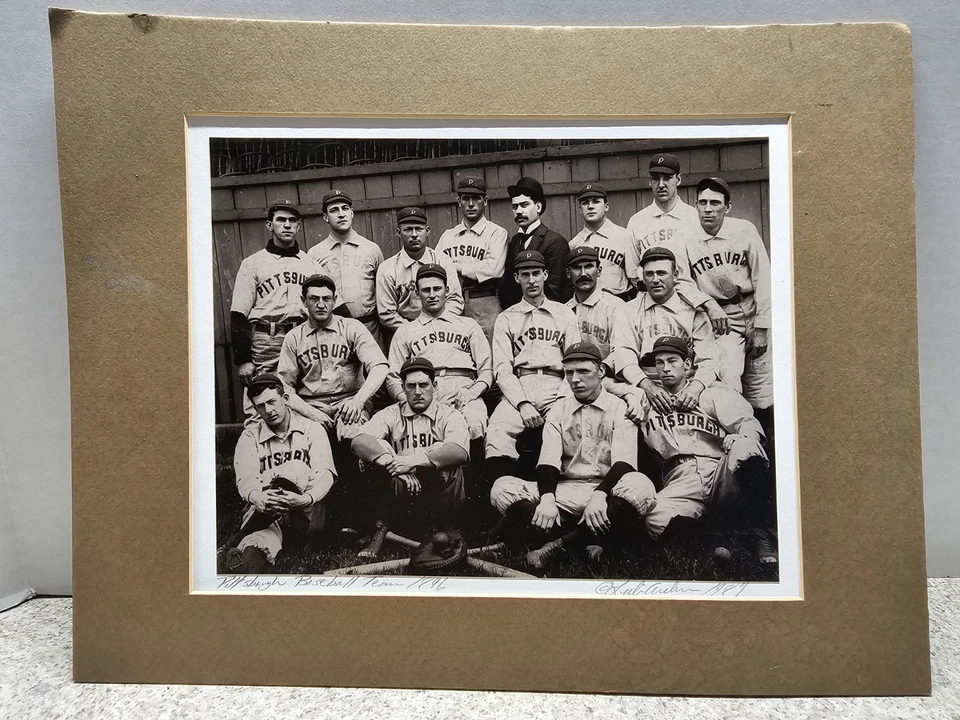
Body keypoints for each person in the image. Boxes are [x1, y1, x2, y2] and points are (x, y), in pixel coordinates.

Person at [489, 342, 657, 570]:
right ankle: (586, 540)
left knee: (641, 486)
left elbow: (625, 463)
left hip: (606, 493)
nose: (575, 379)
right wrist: (547, 498)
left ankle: (557, 543)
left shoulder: (620, 407)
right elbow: (548, 461)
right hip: (565, 491)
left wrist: (600, 495)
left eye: (583, 371)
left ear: (601, 371)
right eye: (569, 373)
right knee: (502, 487)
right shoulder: (558, 409)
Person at [620, 336, 775, 560]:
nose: (665, 368)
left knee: (746, 447)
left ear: (688, 365)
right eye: (659, 363)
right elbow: (604, 383)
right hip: (680, 479)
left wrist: (738, 437)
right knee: (654, 520)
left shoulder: (710, 394)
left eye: (672, 361)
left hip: (721, 473)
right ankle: (715, 531)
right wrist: (631, 393)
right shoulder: (646, 402)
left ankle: (760, 533)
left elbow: (750, 425)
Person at [352, 357, 470, 556]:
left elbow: (459, 452)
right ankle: (383, 526)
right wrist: (395, 464)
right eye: (411, 386)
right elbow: (358, 440)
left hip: (441, 498)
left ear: (435, 385)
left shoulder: (449, 415)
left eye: (423, 385)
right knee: (376, 448)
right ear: (403, 388)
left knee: (443, 451)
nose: (417, 392)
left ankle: (443, 527)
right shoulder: (390, 413)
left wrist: (411, 462)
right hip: (402, 493)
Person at [224, 375, 336, 574]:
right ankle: (248, 564)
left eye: (272, 402)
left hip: (306, 511)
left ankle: (239, 536)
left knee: (295, 468)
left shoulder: (312, 428)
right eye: (260, 406)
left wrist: (304, 499)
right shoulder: (250, 435)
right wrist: (258, 497)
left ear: (285, 398)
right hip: (268, 510)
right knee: (258, 544)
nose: (268, 411)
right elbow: (246, 479)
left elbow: (325, 474)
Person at [486, 250, 581, 483]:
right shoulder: (506, 318)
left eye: (536, 273)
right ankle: (508, 497)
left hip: (557, 385)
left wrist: (561, 398)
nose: (531, 280)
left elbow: (575, 363)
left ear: (545, 275)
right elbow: (502, 369)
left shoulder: (564, 313)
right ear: (517, 278)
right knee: (497, 431)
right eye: (525, 274)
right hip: (521, 385)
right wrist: (522, 403)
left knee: (564, 428)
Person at [686, 176, 773, 422]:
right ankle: (738, 443)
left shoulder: (743, 230)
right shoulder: (687, 236)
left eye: (715, 203)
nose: (708, 209)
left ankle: (766, 447)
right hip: (723, 318)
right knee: (728, 379)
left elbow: (763, 278)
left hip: (753, 308)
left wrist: (762, 327)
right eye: (702, 202)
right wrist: (708, 303)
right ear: (696, 206)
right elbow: (682, 280)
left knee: (762, 391)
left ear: (728, 207)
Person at [230, 199, 319, 420]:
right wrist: (243, 359)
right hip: (267, 340)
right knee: (261, 400)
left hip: (301, 337)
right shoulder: (253, 263)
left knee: (301, 399)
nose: (287, 225)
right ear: (270, 225)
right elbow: (238, 314)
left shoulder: (311, 264)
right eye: (281, 220)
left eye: (292, 221)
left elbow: (334, 305)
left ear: (298, 226)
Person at [386, 263, 492, 444]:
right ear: (417, 294)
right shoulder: (405, 331)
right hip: (425, 392)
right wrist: (408, 400)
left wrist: (472, 393)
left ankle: (475, 472)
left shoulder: (467, 325)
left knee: (475, 422)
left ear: (447, 290)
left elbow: (487, 370)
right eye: (426, 290)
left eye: (437, 288)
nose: (432, 295)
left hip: (463, 389)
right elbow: (393, 377)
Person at [625, 153, 730, 336]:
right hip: (650, 303)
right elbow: (633, 272)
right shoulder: (637, 221)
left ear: (678, 179)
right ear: (649, 181)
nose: (661, 184)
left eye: (667, 178)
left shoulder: (693, 217)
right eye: (655, 179)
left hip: (691, 304)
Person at [623, 246, 722, 412]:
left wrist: (695, 388)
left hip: (688, 383)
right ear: (643, 277)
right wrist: (648, 387)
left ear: (675, 275)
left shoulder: (694, 311)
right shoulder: (628, 311)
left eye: (661, 273)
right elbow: (624, 357)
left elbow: (709, 359)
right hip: (645, 384)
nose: (655, 280)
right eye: (649, 274)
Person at [435, 177, 510, 338]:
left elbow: (494, 269)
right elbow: (436, 269)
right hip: (450, 304)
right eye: (465, 198)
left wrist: (456, 267)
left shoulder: (496, 233)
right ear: (458, 201)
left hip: (484, 301)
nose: (470, 204)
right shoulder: (447, 236)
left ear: (485, 201)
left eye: (476, 198)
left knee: (488, 356)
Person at [307, 190, 384, 346]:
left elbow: (382, 291)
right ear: (325, 217)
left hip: (370, 328)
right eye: (334, 210)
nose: (341, 214)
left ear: (352, 213)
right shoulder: (315, 253)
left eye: (345, 208)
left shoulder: (371, 249)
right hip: (333, 330)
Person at [564, 246, 645, 387]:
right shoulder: (563, 311)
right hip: (573, 382)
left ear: (599, 271)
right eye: (577, 268)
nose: (583, 273)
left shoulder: (615, 306)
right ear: (568, 273)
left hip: (607, 378)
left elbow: (621, 351)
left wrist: (600, 372)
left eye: (589, 266)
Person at [376, 206, 463, 333]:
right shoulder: (388, 268)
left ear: (427, 231)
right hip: (404, 330)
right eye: (408, 230)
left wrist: (436, 325)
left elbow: (455, 300)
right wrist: (415, 330)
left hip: (442, 327)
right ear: (398, 232)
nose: (414, 235)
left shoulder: (443, 261)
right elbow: (386, 313)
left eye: (419, 229)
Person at [498, 177, 572, 308]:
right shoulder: (514, 241)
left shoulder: (555, 242)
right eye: (515, 207)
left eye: (524, 205)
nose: (518, 211)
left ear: (538, 206)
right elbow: (507, 285)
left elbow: (556, 290)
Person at [569, 183, 638, 300]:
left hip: (621, 301)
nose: (590, 206)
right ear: (580, 210)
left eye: (596, 201)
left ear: (606, 206)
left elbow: (635, 277)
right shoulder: (575, 244)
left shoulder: (624, 236)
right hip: (588, 303)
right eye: (585, 203)